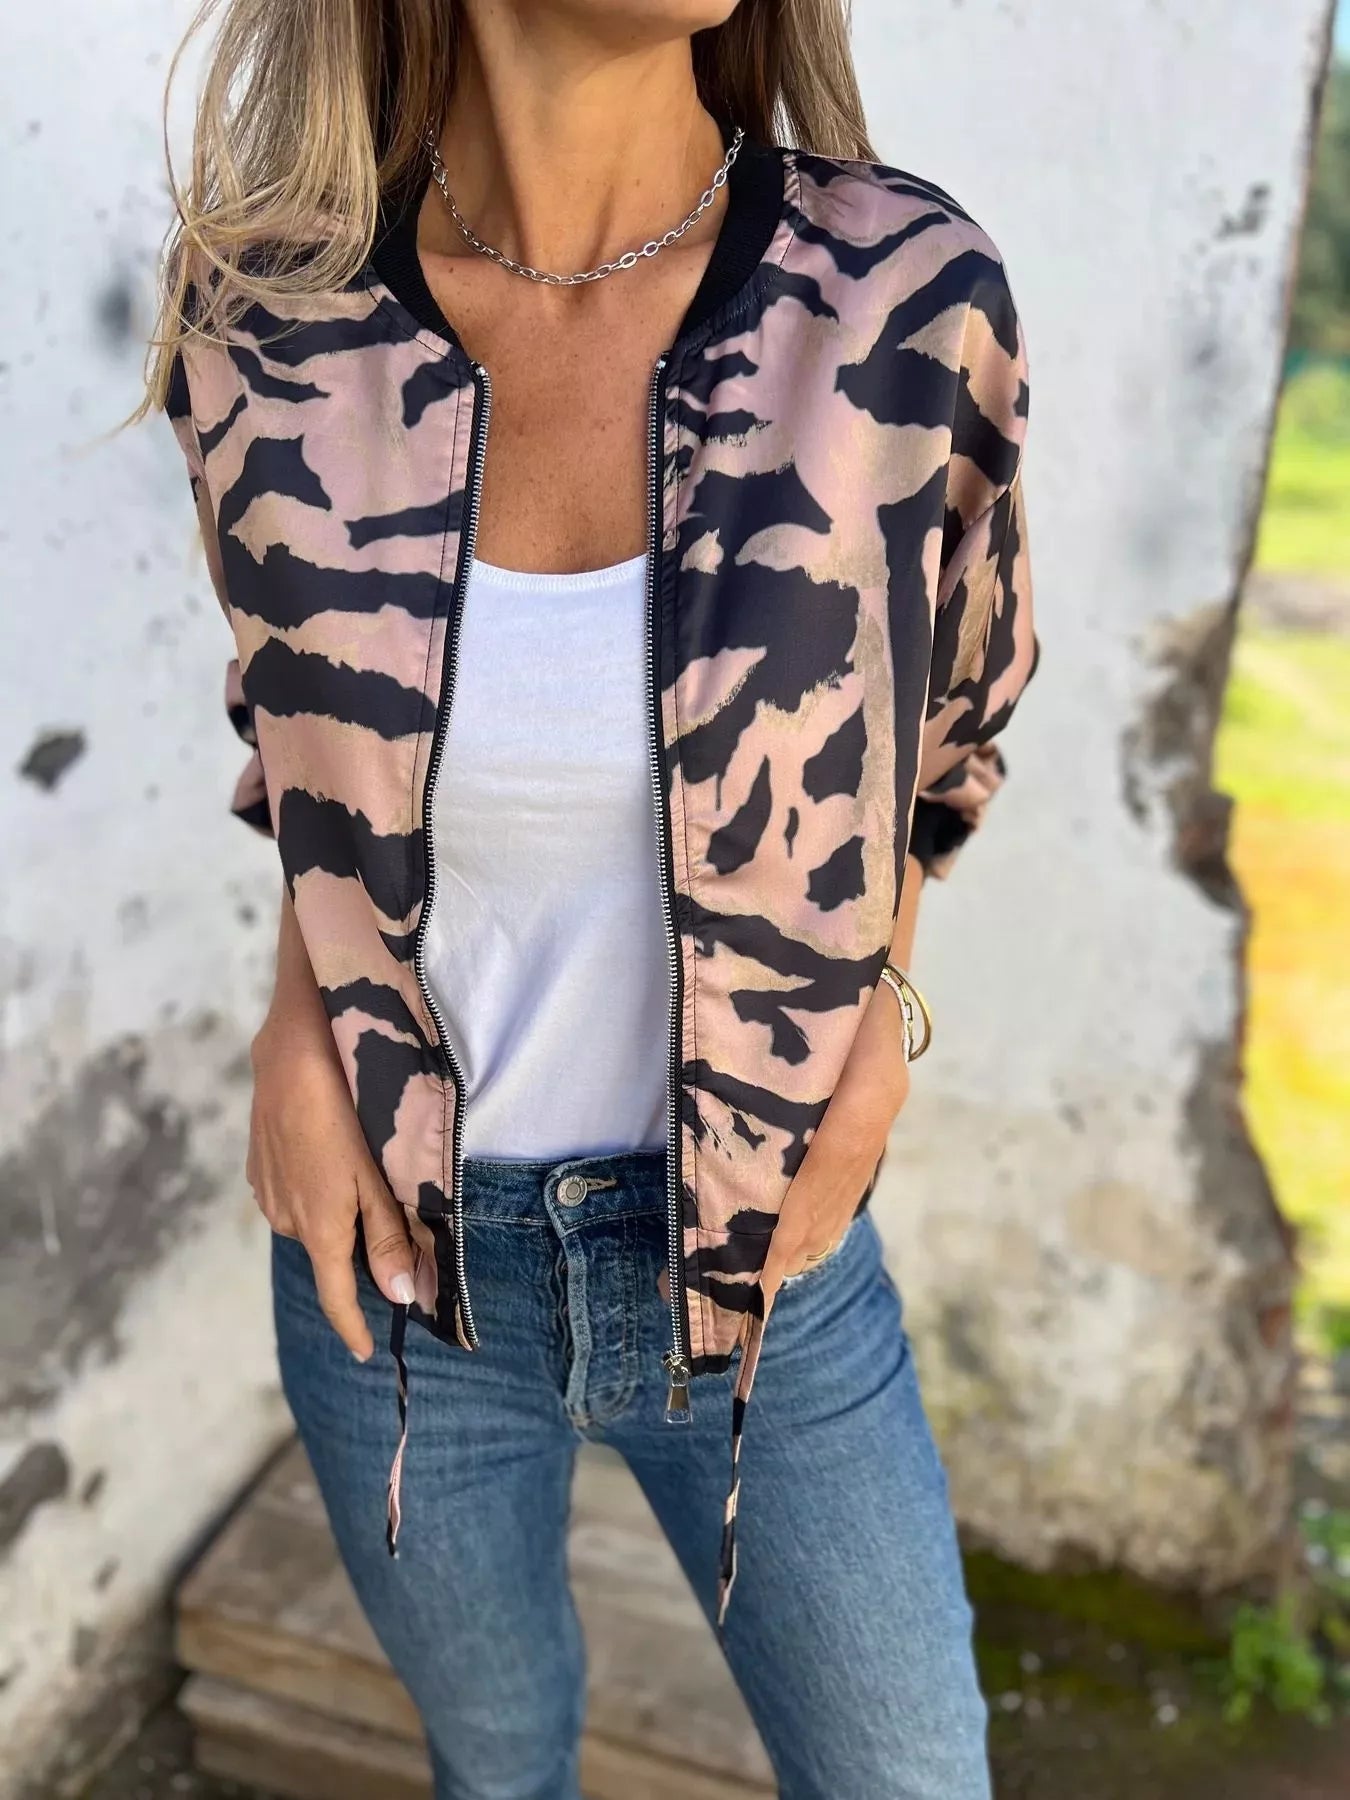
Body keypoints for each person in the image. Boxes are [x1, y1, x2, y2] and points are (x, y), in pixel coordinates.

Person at [150, 1, 1037, 1794]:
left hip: (762, 1269)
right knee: (496, 1765)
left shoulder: (898, 295)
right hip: (403, 1269)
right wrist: (294, 1028)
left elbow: (942, 732)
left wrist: (882, 1023)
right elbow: (308, 754)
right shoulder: (268, 323)